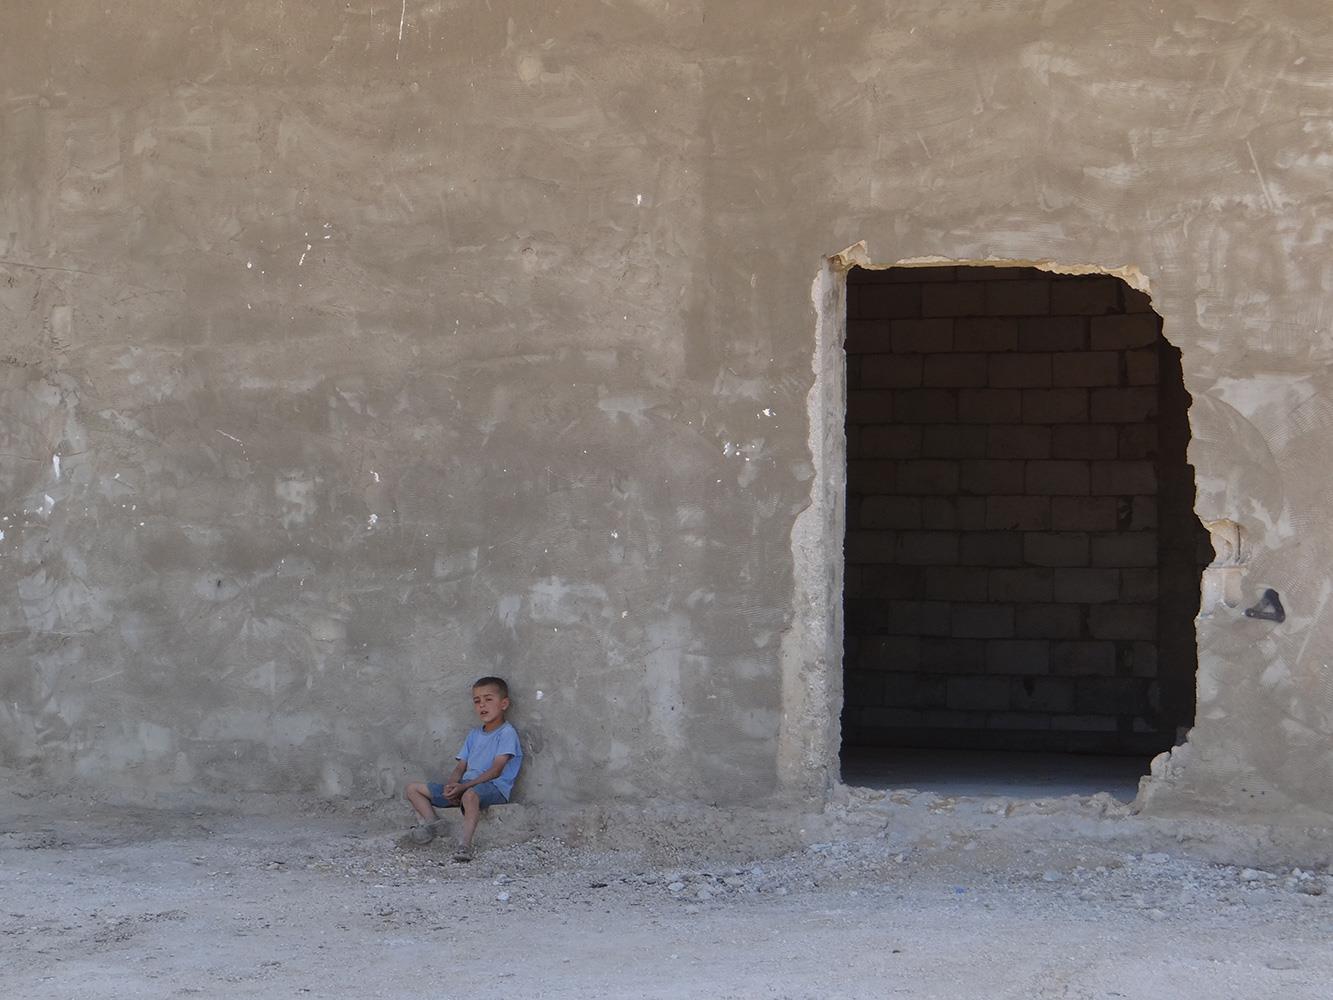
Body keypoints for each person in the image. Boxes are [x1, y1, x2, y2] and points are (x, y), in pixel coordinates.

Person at [403, 676, 522, 862]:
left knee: (470, 796)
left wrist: (465, 787)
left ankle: (464, 845)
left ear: (504, 703)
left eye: (488, 699)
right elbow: (460, 767)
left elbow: (496, 770)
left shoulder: (507, 733)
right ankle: (435, 824)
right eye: (477, 701)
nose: (482, 705)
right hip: (465, 786)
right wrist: (452, 785)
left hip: (494, 788)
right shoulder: (474, 734)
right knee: (412, 789)